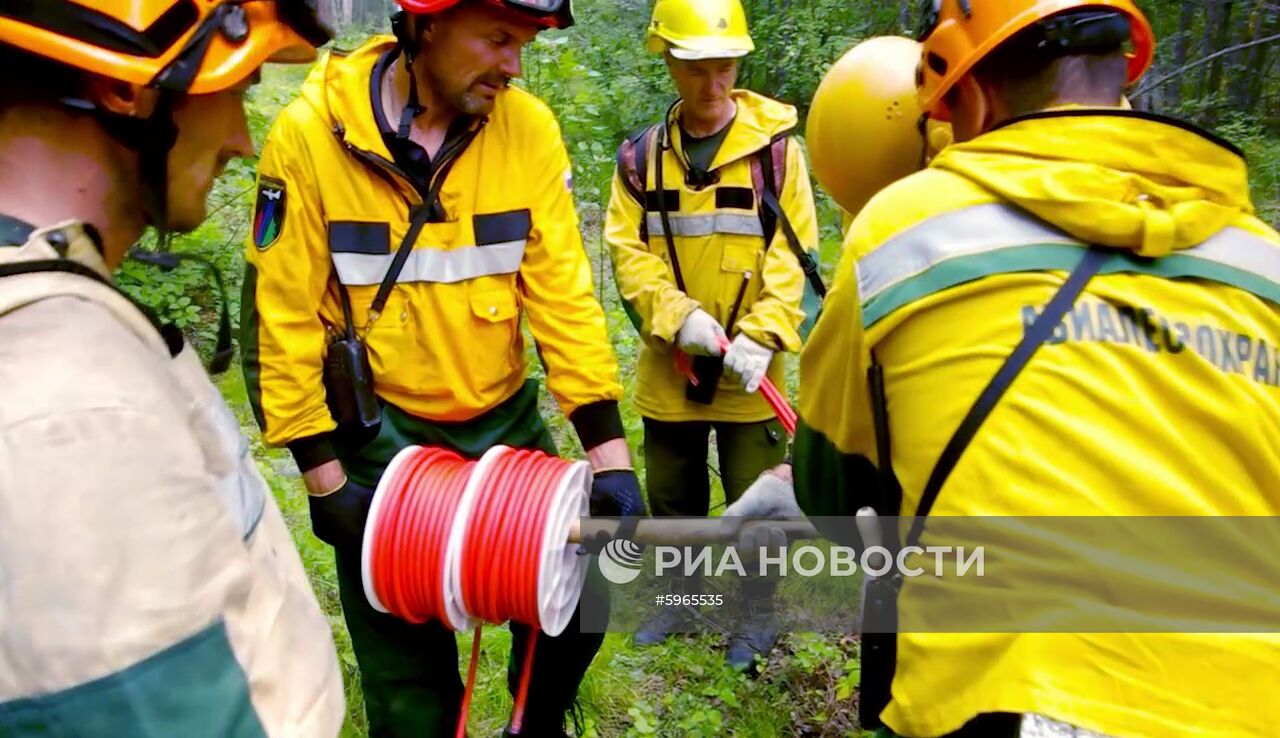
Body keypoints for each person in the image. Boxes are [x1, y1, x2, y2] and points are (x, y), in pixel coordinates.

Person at [728, 1, 1280, 736]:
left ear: (974, 95)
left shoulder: (904, 232)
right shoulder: (1262, 265)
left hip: (1008, 694)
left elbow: (837, 489)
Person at [240, 0, 645, 734]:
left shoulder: (527, 131)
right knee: (404, 679)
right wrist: (326, 481)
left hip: (503, 422)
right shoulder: (308, 137)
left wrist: (610, 461)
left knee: (586, 588)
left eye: (522, 45)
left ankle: (536, 719)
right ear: (426, 23)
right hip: (381, 438)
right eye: (497, 39)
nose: (513, 66)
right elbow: (282, 316)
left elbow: (564, 299)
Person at [0, 2, 344, 736]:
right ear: (128, 87)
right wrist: (320, 461)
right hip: (377, 442)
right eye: (239, 91)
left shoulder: (65, 325)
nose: (243, 142)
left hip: (520, 423)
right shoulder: (72, 408)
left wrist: (601, 445)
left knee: (618, 575)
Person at [603, 0, 821, 671]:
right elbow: (626, 253)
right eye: (697, 66)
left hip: (752, 377)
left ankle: (755, 618)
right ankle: (680, 601)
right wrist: (679, 320)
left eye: (724, 65)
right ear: (667, 59)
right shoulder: (641, 160)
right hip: (672, 371)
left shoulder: (777, 157)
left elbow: (796, 258)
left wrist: (763, 335)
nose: (713, 82)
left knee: (757, 501)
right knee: (673, 499)